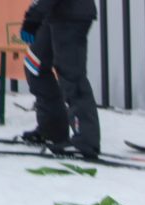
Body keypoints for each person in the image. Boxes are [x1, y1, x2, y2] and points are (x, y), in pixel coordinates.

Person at [19, 0, 101, 159]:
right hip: (54, 13)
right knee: (34, 65)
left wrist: (34, 15)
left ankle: (85, 141)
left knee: (72, 76)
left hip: (72, 15)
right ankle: (52, 130)